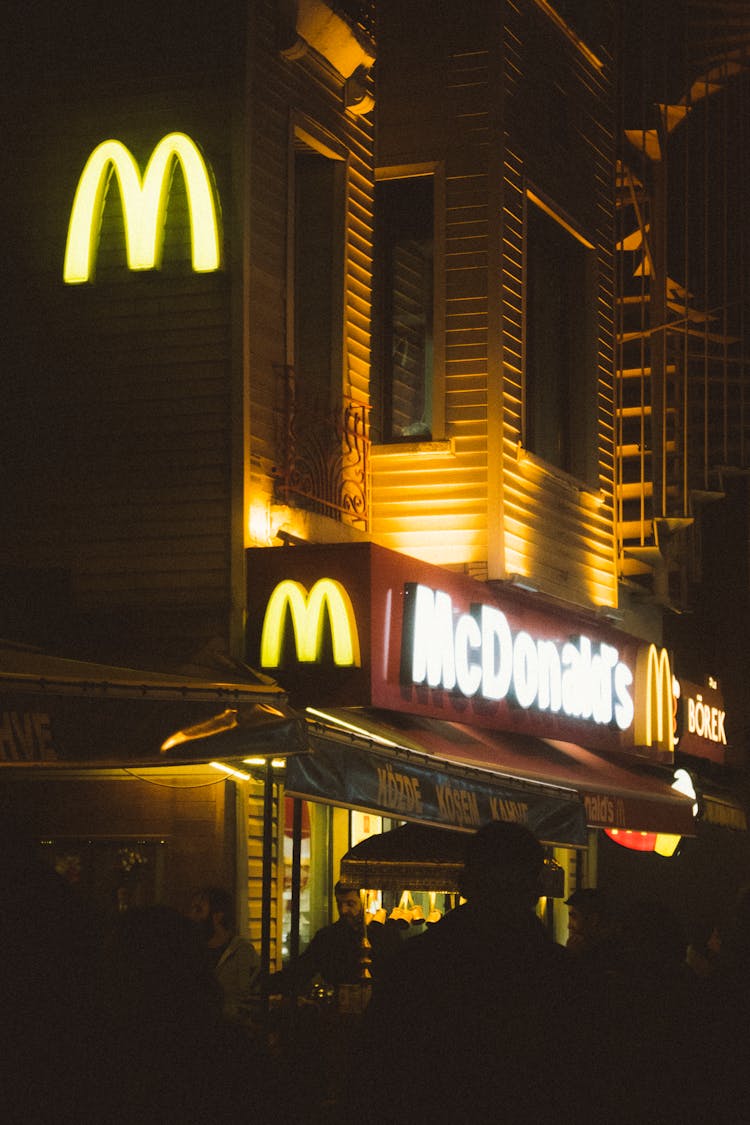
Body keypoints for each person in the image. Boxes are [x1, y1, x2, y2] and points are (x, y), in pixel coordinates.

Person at [351, 822, 586, 1125]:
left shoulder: (418, 965)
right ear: (535, 889)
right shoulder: (561, 976)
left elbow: (373, 1074)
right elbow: (578, 1083)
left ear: (464, 884)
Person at [271, 880, 401, 999]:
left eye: (350, 904)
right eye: (339, 904)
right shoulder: (328, 937)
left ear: (365, 902)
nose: (343, 910)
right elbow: (302, 970)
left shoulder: (385, 936)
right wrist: (267, 984)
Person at [189, 885, 260, 1027]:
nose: (191, 916)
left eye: (198, 910)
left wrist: (220, 1010)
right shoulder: (190, 952)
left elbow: (254, 1000)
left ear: (218, 916)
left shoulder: (242, 953)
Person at [564, 886, 622, 978]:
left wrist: (572, 957)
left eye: (574, 917)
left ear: (593, 920)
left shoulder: (610, 956)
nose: (569, 926)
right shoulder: (591, 950)